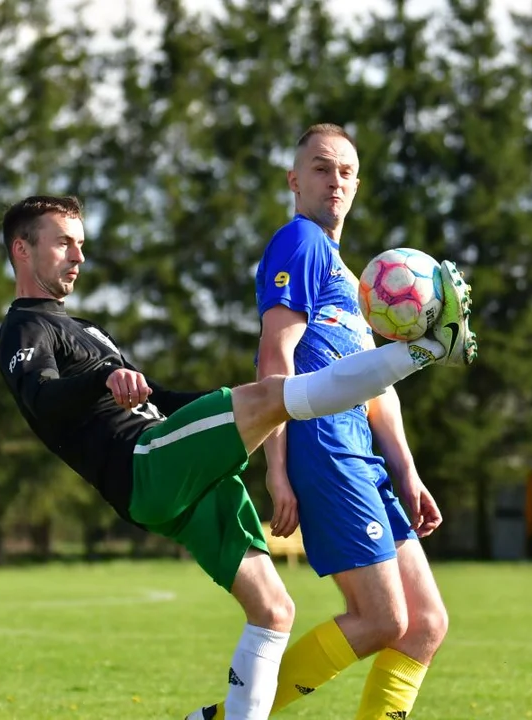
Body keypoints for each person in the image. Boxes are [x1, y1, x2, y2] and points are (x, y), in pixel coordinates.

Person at [0, 195, 475, 720]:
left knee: (273, 610)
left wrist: (221, 401)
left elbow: (158, 397)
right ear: (22, 249)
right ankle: (426, 349)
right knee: (273, 396)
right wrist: (103, 379)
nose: (78, 257)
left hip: (181, 479)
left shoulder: (86, 327)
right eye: (64, 243)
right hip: (146, 462)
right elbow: (41, 397)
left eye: (81, 245)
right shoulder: (25, 329)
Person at [191, 124, 476, 720]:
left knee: (424, 624)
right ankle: (225, 718)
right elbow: (277, 358)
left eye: (346, 171)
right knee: (382, 618)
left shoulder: (356, 281)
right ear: (295, 181)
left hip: (361, 453)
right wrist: (277, 470)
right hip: (322, 446)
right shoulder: (300, 241)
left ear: (358, 185)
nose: (335, 180)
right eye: (321, 168)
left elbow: (377, 387)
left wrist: (407, 471)